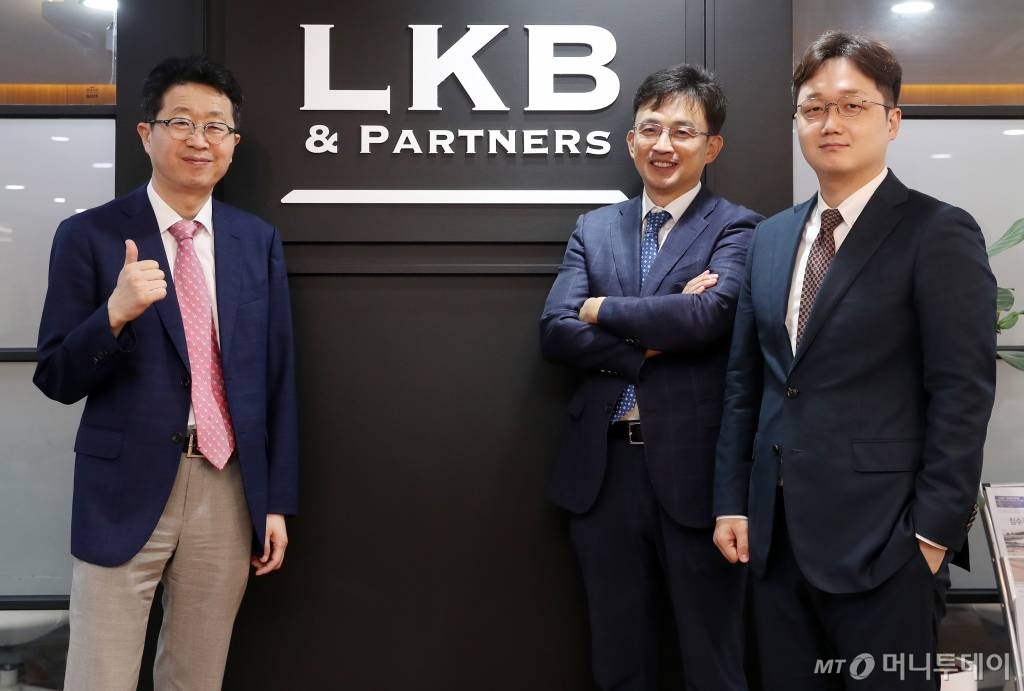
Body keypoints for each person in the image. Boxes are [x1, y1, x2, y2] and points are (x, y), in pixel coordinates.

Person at [712, 31, 996, 690]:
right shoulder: (770, 237)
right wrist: (732, 502)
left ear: (892, 121)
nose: (830, 122)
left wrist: (931, 537)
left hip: (886, 546)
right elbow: (746, 382)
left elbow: (962, 394)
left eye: (852, 105)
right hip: (775, 541)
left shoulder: (937, 231)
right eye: (814, 108)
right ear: (796, 121)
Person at [34, 55, 299, 691]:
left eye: (216, 125)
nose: (199, 139)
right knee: (99, 675)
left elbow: (277, 377)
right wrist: (113, 315)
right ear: (146, 133)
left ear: (232, 141)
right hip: (122, 487)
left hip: (227, 484)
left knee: (196, 676)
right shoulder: (89, 235)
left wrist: (275, 501)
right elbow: (57, 377)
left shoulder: (254, 240)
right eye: (181, 121)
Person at [540, 63, 761, 691]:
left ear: (712, 147)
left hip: (697, 475)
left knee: (712, 659)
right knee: (618, 658)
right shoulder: (594, 227)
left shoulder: (738, 226)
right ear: (631, 139)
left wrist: (599, 309)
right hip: (604, 472)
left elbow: (708, 317)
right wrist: (650, 344)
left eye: (683, 132)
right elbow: (554, 331)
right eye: (651, 128)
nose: (664, 144)